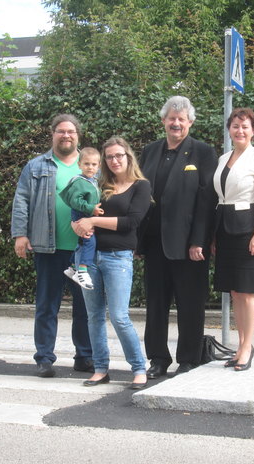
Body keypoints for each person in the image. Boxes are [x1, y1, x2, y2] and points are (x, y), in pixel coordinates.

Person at [138, 96, 218, 378]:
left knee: (190, 304)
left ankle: (189, 358)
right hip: (154, 242)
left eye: (181, 119)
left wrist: (200, 240)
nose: (175, 123)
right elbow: (139, 196)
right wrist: (137, 240)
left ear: (190, 123)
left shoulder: (203, 153)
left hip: (188, 245)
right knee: (156, 305)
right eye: (171, 118)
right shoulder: (149, 151)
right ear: (163, 121)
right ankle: (158, 359)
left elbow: (207, 201)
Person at [11, 114, 94, 378]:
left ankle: (84, 356)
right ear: (53, 134)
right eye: (61, 131)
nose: (66, 135)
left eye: (71, 131)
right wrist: (20, 235)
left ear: (78, 135)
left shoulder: (91, 166)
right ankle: (44, 358)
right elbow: (21, 200)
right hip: (48, 249)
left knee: (85, 307)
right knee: (47, 305)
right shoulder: (36, 166)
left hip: (81, 251)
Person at [72, 136, 150, 390]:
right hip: (88, 258)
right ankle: (100, 368)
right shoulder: (98, 183)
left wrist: (93, 222)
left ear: (128, 156)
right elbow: (81, 212)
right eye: (109, 157)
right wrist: (77, 225)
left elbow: (131, 223)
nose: (114, 160)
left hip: (118, 258)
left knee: (119, 316)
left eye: (119, 155)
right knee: (93, 316)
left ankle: (139, 368)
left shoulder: (141, 186)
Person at [212, 108, 254, 372]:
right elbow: (220, 197)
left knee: (248, 290)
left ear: (253, 131)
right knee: (235, 290)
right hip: (225, 227)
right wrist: (214, 236)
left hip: (249, 227)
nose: (239, 131)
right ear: (229, 129)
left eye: (245, 127)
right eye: (235, 126)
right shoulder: (223, 158)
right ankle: (239, 346)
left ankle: (247, 346)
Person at [59, 146, 103, 290]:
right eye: (86, 164)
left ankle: (72, 268)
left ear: (99, 166)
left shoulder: (94, 180)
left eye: (94, 164)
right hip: (81, 215)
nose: (90, 167)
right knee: (90, 241)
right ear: (79, 165)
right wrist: (91, 209)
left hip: (87, 215)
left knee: (81, 244)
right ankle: (82, 271)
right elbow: (75, 201)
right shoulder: (79, 181)